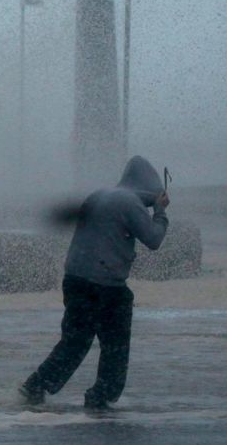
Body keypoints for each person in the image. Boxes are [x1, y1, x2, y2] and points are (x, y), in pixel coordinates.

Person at [19, 156, 169, 410]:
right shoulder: (130, 202)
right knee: (115, 346)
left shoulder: (100, 194)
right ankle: (101, 397)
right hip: (106, 285)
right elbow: (153, 239)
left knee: (75, 341)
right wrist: (160, 211)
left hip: (75, 279)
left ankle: (35, 387)